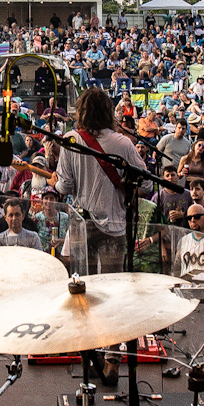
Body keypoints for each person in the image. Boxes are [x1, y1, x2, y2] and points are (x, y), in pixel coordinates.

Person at [56, 88, 148, 274]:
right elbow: (146, 184)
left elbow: (64, 186)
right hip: (114, 223)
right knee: (112, 283)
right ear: (108, 112)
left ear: (81, 112)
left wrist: (55, 183)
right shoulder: (123, 142)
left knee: (84, 280)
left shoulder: (71, 140)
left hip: (82, 223)